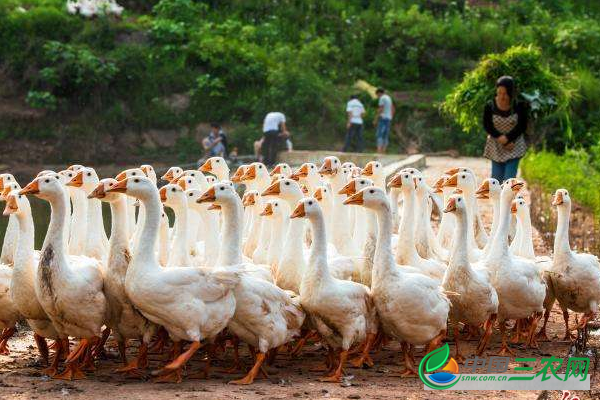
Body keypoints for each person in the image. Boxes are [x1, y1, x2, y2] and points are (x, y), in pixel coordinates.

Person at [483, 76, 529, 183]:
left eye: (505, 94)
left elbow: (522, 125)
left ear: (511, 93)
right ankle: (497, 200)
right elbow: (487, 125)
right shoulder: (490, 106)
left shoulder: (519, 105)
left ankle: (507, 200)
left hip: (514, 145)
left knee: (509, 181)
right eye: (499, 93)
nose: (502, 97)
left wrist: (508, 138)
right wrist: (500, 138)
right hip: (496, 145)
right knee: (496, 180)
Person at [374, 88, 394, 153]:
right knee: (385, 135)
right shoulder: (389, 98)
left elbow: (381, 108)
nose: (377, 97)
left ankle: (379, 151)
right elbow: (393, 108)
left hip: (383, 118)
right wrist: (391, 116)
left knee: (380, 134)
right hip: (388, 118)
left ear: (379, 93)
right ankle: (384, 151)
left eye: (377, 95)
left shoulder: (382, 98)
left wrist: (375, 119)